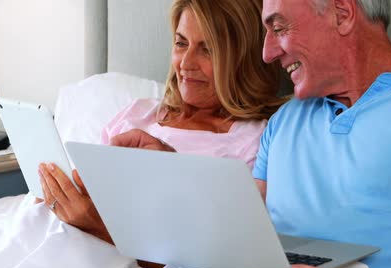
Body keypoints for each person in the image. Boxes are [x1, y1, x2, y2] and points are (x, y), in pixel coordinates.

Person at [113, 0, 391, 268]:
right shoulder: (284, 122)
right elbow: (232, 241)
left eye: (279, 28)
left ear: (342, 13)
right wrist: (169, 172)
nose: (267, 53)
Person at [36, 0, 286, 254]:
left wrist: (97, 226)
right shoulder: (138, 112)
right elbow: (90, 192)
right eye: (181, 43)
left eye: (207, 49)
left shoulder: (252, 142)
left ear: (243, 59)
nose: (186, 63)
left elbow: (214, 254)